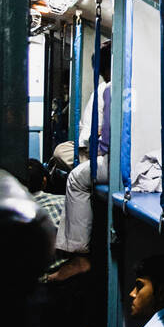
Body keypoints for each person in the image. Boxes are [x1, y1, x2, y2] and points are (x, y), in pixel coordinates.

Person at [52, 42, 112, 279]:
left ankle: (77, 255)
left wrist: (96, 142)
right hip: (91, 149)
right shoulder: (108, 89)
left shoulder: (108, 89)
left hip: (101, 154)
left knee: (75, 178)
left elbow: (100, 138)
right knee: (62, 151)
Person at [49, 43, 111, 171]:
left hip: (100, 150)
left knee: (61, 154)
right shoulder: (103, 89)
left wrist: (99, 134)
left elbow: (105, 132)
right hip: (88, 145)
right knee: (61, 150)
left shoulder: (110, 90)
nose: (104, 77)